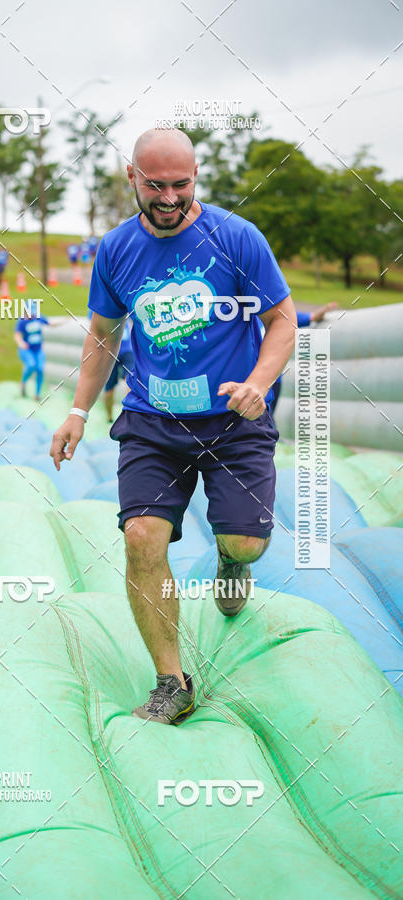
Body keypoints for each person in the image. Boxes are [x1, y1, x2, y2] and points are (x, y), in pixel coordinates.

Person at [49, 128, 297, 726]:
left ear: (196, 179)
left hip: (235, 417)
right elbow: (104, 335)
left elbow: (283, 319)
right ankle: (172, 681)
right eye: (155, 184)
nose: (168, 197)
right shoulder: (115, 250)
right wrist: (79, 411)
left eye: (180, 185)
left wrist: (259, 383)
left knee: (244, 541)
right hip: (152, 420)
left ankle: (232, 562)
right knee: (141, 539)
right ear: (131, 177)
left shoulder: (237, 239)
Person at [270, 303, 338, 414]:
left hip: (272, 380)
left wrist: (314, 316)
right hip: (253, 378)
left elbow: (284, 318)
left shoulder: (267, 311)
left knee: (266, 419)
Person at [14, 300, 51, 401]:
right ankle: (23, 382)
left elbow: (50, 323)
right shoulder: (22, 321)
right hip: (27, 350)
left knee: (40, 369)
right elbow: (17, 335)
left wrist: (65, 321)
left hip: (38, 350)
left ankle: (37, 395)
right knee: (31, 365)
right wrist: (21, 343)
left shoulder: (39, 318)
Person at [103, 318, 134, 423]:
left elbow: (96, 329)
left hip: (111, 351)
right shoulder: (125, 304)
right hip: (126, 349)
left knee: (109, 388)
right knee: (130, 382)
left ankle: (110, 417)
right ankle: (124, 415)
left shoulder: (104, 304)